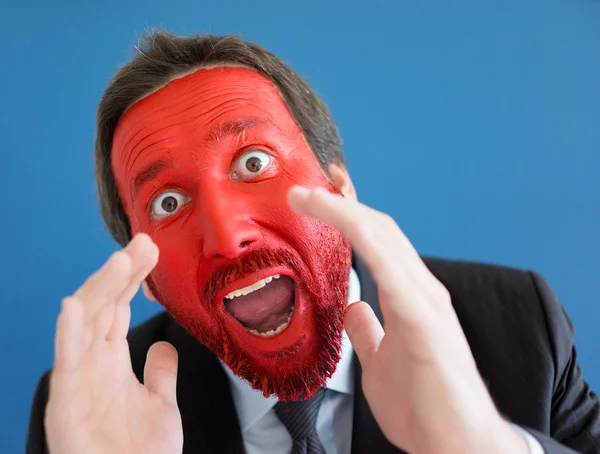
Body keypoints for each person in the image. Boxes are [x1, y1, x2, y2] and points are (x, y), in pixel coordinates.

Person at [27, 31, 599, 454]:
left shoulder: (519, 323)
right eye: (168, 204)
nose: (228, 237)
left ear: (341, 189)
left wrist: (478, 444)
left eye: (254, 162)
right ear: (144, 278)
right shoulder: (90, 404)